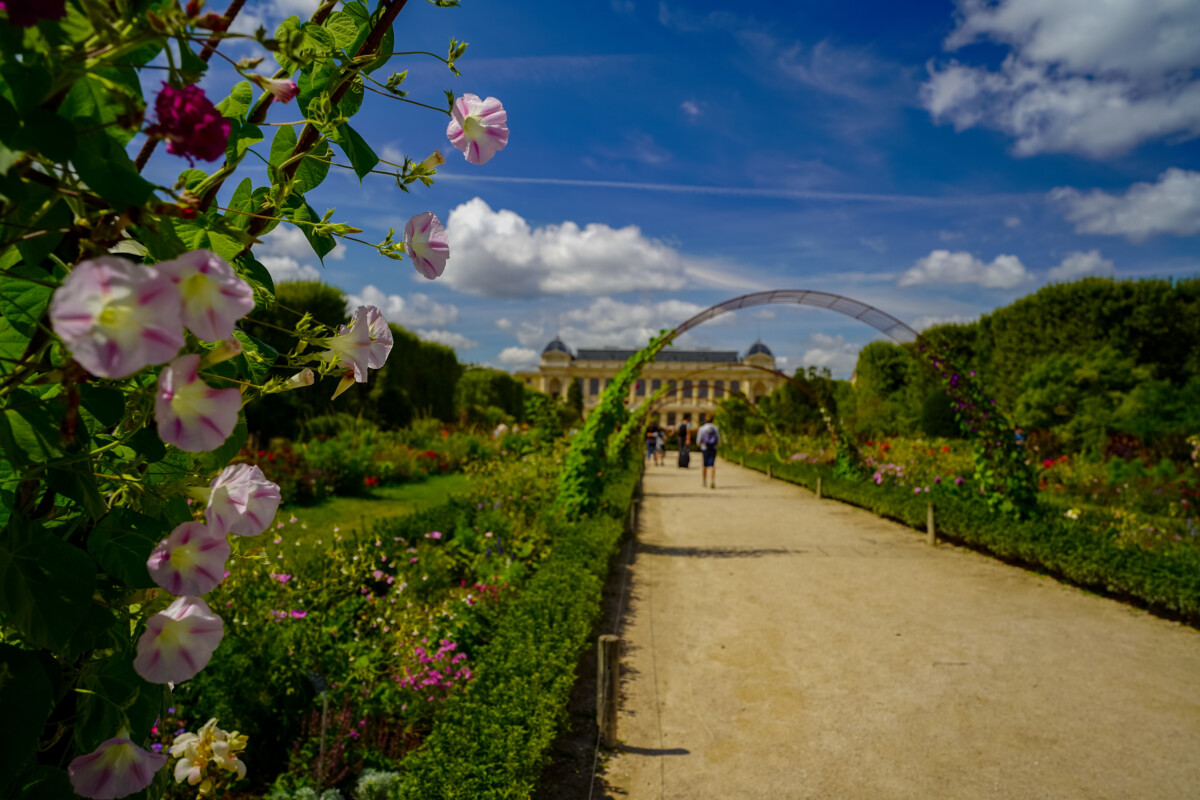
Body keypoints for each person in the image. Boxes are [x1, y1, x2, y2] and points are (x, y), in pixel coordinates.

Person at [696, 418, 720, 488]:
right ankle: (712, 481)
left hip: (704, 448)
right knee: (712, 465)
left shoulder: (702, 428)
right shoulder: (715, 428)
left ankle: (704, 481)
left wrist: (700, 446)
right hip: (713, 448)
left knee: (704, 464)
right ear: (712, 420)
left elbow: (698, 440)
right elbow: (718, 439)